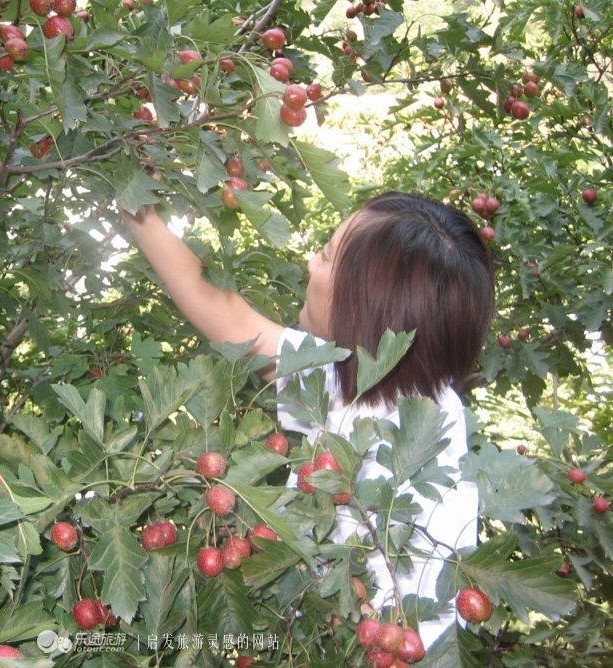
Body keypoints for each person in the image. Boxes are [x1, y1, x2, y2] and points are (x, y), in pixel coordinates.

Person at [121, 191, 495, 648]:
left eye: (325, 256)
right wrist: (135, 204)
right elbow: (228, 316)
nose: (310, 265)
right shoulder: (366, 374)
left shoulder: (391, 447)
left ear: (365, 302)